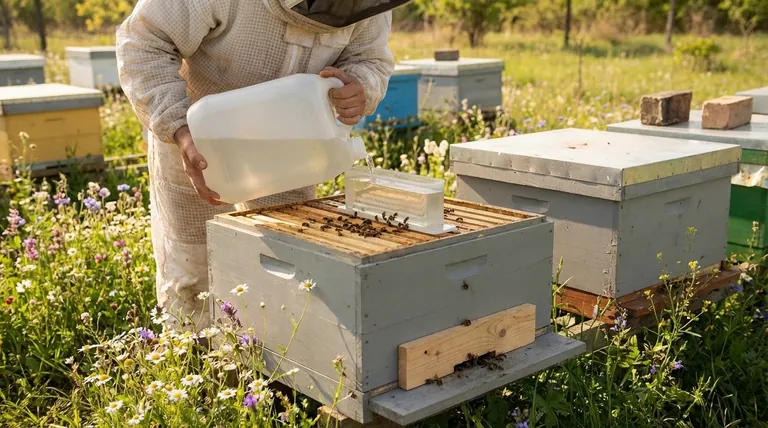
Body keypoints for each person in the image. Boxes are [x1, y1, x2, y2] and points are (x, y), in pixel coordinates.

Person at [116, 0, 407, 330]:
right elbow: (143, 41)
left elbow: (370, 60)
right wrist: (179, 128)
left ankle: (271, 369)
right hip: (197, 141)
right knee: (195, 268)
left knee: (285, 266)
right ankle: (197, 370)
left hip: (289, 145)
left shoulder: (370, 4)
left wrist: (360, 86)